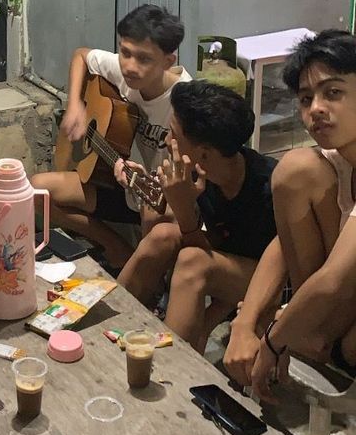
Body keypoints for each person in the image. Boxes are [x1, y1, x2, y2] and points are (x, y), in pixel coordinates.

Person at [226, 31, 356, 401]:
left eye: (333, 92)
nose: (315, 108)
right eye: (305, 99)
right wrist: (245, 323)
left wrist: (273, 339)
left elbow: (332, 280)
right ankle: (309, 332)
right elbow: (283, 243)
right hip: (336, 312)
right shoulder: (338, 160)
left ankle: (309, 334)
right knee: (294, 167)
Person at [118, 80, 277, 352]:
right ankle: (113, 320)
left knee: (193, 261)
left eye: (173, 134)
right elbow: (215, 242)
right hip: (227, 264)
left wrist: (206, 325)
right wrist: (149, 189)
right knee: (162, 235)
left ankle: (177, 365)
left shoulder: (268, 188)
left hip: (272, 283)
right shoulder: (197, 171)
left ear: (203, 153)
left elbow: (260, 266)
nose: (167, 141)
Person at [32, 4, 190, 266]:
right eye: (124, 52)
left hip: (159, 198)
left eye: (143, 59)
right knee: (36, 191)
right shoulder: (123, 72)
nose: (129, 66)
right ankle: (115, 247)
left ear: (168, 61)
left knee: (158, 228)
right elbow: (81, 56)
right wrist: (75, 106)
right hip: (122, 185)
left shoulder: (184, 103)